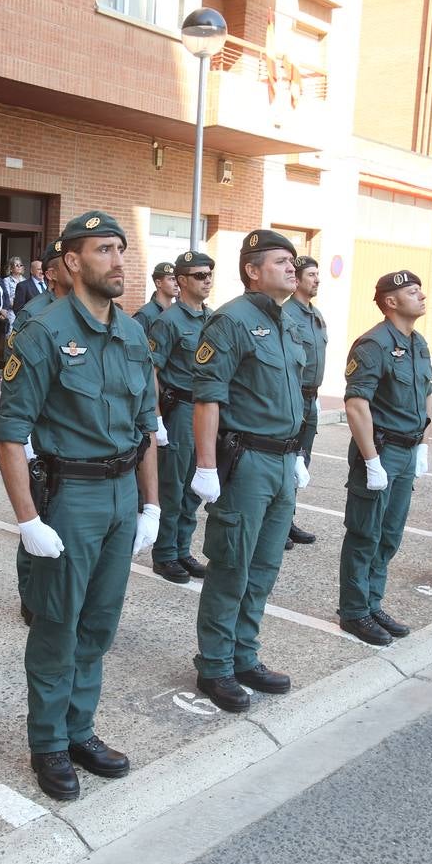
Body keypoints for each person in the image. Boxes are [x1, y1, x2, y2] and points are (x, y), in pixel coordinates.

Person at [0, 211, 158, 802]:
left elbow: (147, 428)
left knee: (99, 623)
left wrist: (152, 505)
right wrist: (28, 520)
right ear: (71, 262)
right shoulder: (42, 331)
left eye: (121, 250)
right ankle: (49, 743)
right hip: (71, 496)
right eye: (105, 250)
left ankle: (79, 729)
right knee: (58, 625)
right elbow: (10, 433)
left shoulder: (134, 332)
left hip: (119, 495)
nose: (119, 261)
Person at [189, 230, 306, 707]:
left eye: (293, 261)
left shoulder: (288, 320)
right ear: (253, 270)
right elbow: (208, 397)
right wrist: (206, 465)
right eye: (280, 261)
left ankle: (244, 654)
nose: (291, 267)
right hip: (247, 461)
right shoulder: (231, 321)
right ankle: (214, 666)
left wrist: (296, 455)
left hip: (282, 459)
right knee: (232, 565)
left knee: (264, 565)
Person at [336, 270, 432, 645]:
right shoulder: (373, 344)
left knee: (389, 534)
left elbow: (426, 391)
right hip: (382, 451)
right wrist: (371, 459)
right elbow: (357, 405)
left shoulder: (418, 342)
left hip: (408, 450)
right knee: (365, 533)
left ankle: (372, 602)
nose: (422, 296)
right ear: (391, 301)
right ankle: (355, 611)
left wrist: (423, 442)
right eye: (413, 291)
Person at [11, 240, 71, 627]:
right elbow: (16, 378)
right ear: (50, 272)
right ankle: (30, 593)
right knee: (36, 509)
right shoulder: (32, 314)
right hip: (40, 428)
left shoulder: (89, 310)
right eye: (66, 262)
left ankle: (60, 589)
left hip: (72, 431)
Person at [146, 250, 214, 584]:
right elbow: (152, 371)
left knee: (194, 486)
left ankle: (183, 549)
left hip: (205, 410)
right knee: (173, 486)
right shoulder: (168, 321)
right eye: (200, 275)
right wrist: (156, 418)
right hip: (179, 411)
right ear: (182, 280)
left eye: (210, 274)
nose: (207, 281)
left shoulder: (212, 318)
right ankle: (165, 554)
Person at [282, 254, 328, 548]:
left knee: (302, 460)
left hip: (311, 398)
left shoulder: (316, 314)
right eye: (311, 274)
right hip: (294, 397)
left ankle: (288, 518)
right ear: (297, 280)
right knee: (287, 459)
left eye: (317, 274)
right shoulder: (287, 315)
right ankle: (278, 522)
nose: (317, 279)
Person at [134, 261, 178, 336]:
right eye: (172, 279)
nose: (177, 284)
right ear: (158, 283)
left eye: (177, 279)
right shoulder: (144, 315)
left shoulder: (177, 311)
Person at [0, 256, 26, 332]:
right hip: (11, 312)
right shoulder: (6, 281)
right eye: (16, 265)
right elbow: (7, 298)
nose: (19, 267)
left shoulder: (24, 280)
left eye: (20, 265)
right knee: (11, 336)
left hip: (22, 312)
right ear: (11, 268)